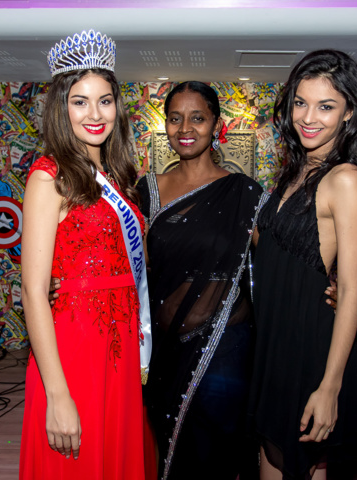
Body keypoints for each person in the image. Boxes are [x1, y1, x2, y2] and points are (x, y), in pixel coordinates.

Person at [19, 30, 149, 480]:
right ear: (62, 108)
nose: (95, 114)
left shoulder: (117, 174)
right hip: (75, 345)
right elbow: (33, 291)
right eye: (80, 101)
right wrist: (57, 394)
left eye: (105, 101)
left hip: (121, 344)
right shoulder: (48, 177)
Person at [247, 49, 357, 480]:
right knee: (278, 461)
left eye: (326, 106)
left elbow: (352, 292)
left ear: (349, 113)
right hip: (275, 342)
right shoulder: (297, 171)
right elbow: (273, 250)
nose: (308, 117)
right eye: (301, 103)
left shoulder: (346, 180)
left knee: (295, 464)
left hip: (308, 348)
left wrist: (330, 386)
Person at [136, 81, 265, 480]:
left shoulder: (245, 193)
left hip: (225, 346)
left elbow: (276, 262)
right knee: (168, 451)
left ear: (216, 125)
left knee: (217, 451)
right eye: (175, 118)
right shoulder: (148, 190)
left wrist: (324, 284)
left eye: (197, 118)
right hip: (164, 350)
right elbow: (131, 262)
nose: (185, 128)